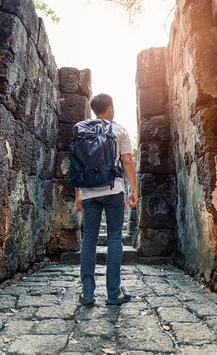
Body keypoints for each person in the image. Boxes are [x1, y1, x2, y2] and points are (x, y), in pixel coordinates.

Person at [75, 93, 138, 306]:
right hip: (113, 191)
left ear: (94, 110)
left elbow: (77, 164)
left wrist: (78, 195)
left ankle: (87, 293)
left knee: (89, 240)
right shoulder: (118, 130)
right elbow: (127, 162)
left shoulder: (80, 129)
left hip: (89, 192)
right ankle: (114, 293)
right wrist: (134, 190)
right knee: (114, 238)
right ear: (109, 108)